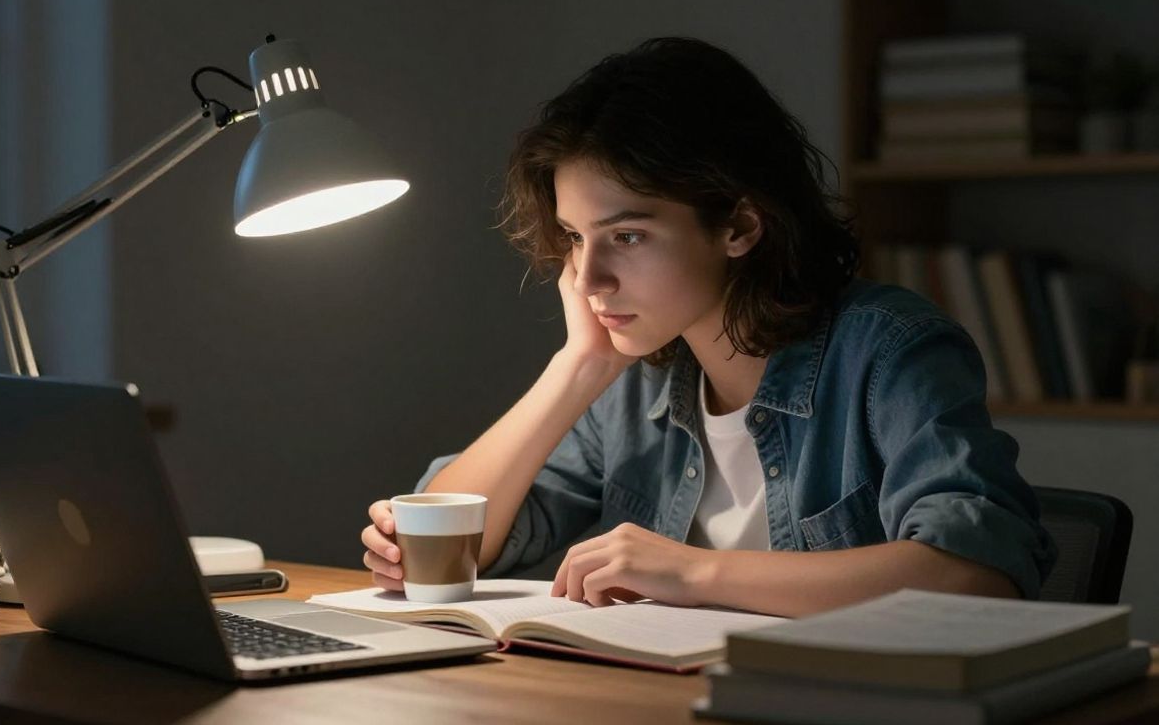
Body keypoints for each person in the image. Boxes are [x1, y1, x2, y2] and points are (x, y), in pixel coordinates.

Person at [360, 37, 1056, 617]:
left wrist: (691, 574)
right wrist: (576, 368)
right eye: (575, 238)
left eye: (626, 236)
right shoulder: (633, 379)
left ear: (739, 226)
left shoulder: (888, 349)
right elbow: (454, 546)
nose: (590, 276)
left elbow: (978, 576)